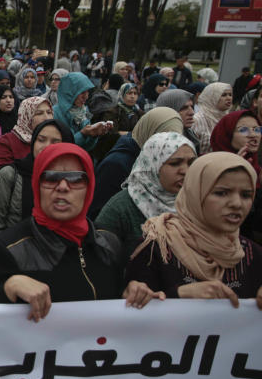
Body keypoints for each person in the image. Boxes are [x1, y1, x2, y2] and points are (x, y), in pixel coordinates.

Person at [0, 143, 131, 321]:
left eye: (75, 178)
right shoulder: (7, 250)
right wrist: (7, 290)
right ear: (36, 184)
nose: (62, 187)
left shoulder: (110, 246)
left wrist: (136, 291)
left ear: (90, 186)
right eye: (50, 178)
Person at [125, 153, 262, 306]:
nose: (237, 204)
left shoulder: (252, 255)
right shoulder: (155, 249)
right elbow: (134, 314)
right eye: (221, 193)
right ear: (195, 193)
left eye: (246, 195)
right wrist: (179, 294)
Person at [96, 133, 196, 242]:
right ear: (152, 165)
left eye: (191, 163)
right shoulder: (121, 209)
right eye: (175, 163)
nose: (185, 171)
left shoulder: (195, 201)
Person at [0, 119, 75, 239]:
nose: (46, 146)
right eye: (41, 140)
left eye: (55, 142)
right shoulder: (10, 174)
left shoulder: (73, 180)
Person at [89, 107, 184, 217]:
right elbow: (98, 214)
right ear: (151, 133)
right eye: (164, 140)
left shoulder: (159, 162)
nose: (170, 148)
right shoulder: (117, 165)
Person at [0, 96, 52, 181]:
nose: (46, 117)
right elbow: (1, 174)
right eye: (39, 113)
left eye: (49, 112)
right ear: (27, 116)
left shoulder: (56, 140)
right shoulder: (7, 142)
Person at [53, 72, 106, 150]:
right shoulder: (54, 113)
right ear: (70, 92)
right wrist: (83, 134)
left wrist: (94, 134)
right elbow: (61, 146)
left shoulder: (83, 111)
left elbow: (86, 148)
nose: (86, 97)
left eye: (87, 92)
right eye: (82, 92)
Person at [210, 109, 261, 181]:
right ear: (227, 135)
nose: (253, 135)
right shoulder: (209, 168)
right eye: (243, 130)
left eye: (257, 130)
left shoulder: (258, 170)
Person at [191, 82, 232, 154]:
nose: (229, 98)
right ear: (212, 97)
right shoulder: (197, 119)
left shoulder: (230, 119)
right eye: (224, 95)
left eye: (230, 95)